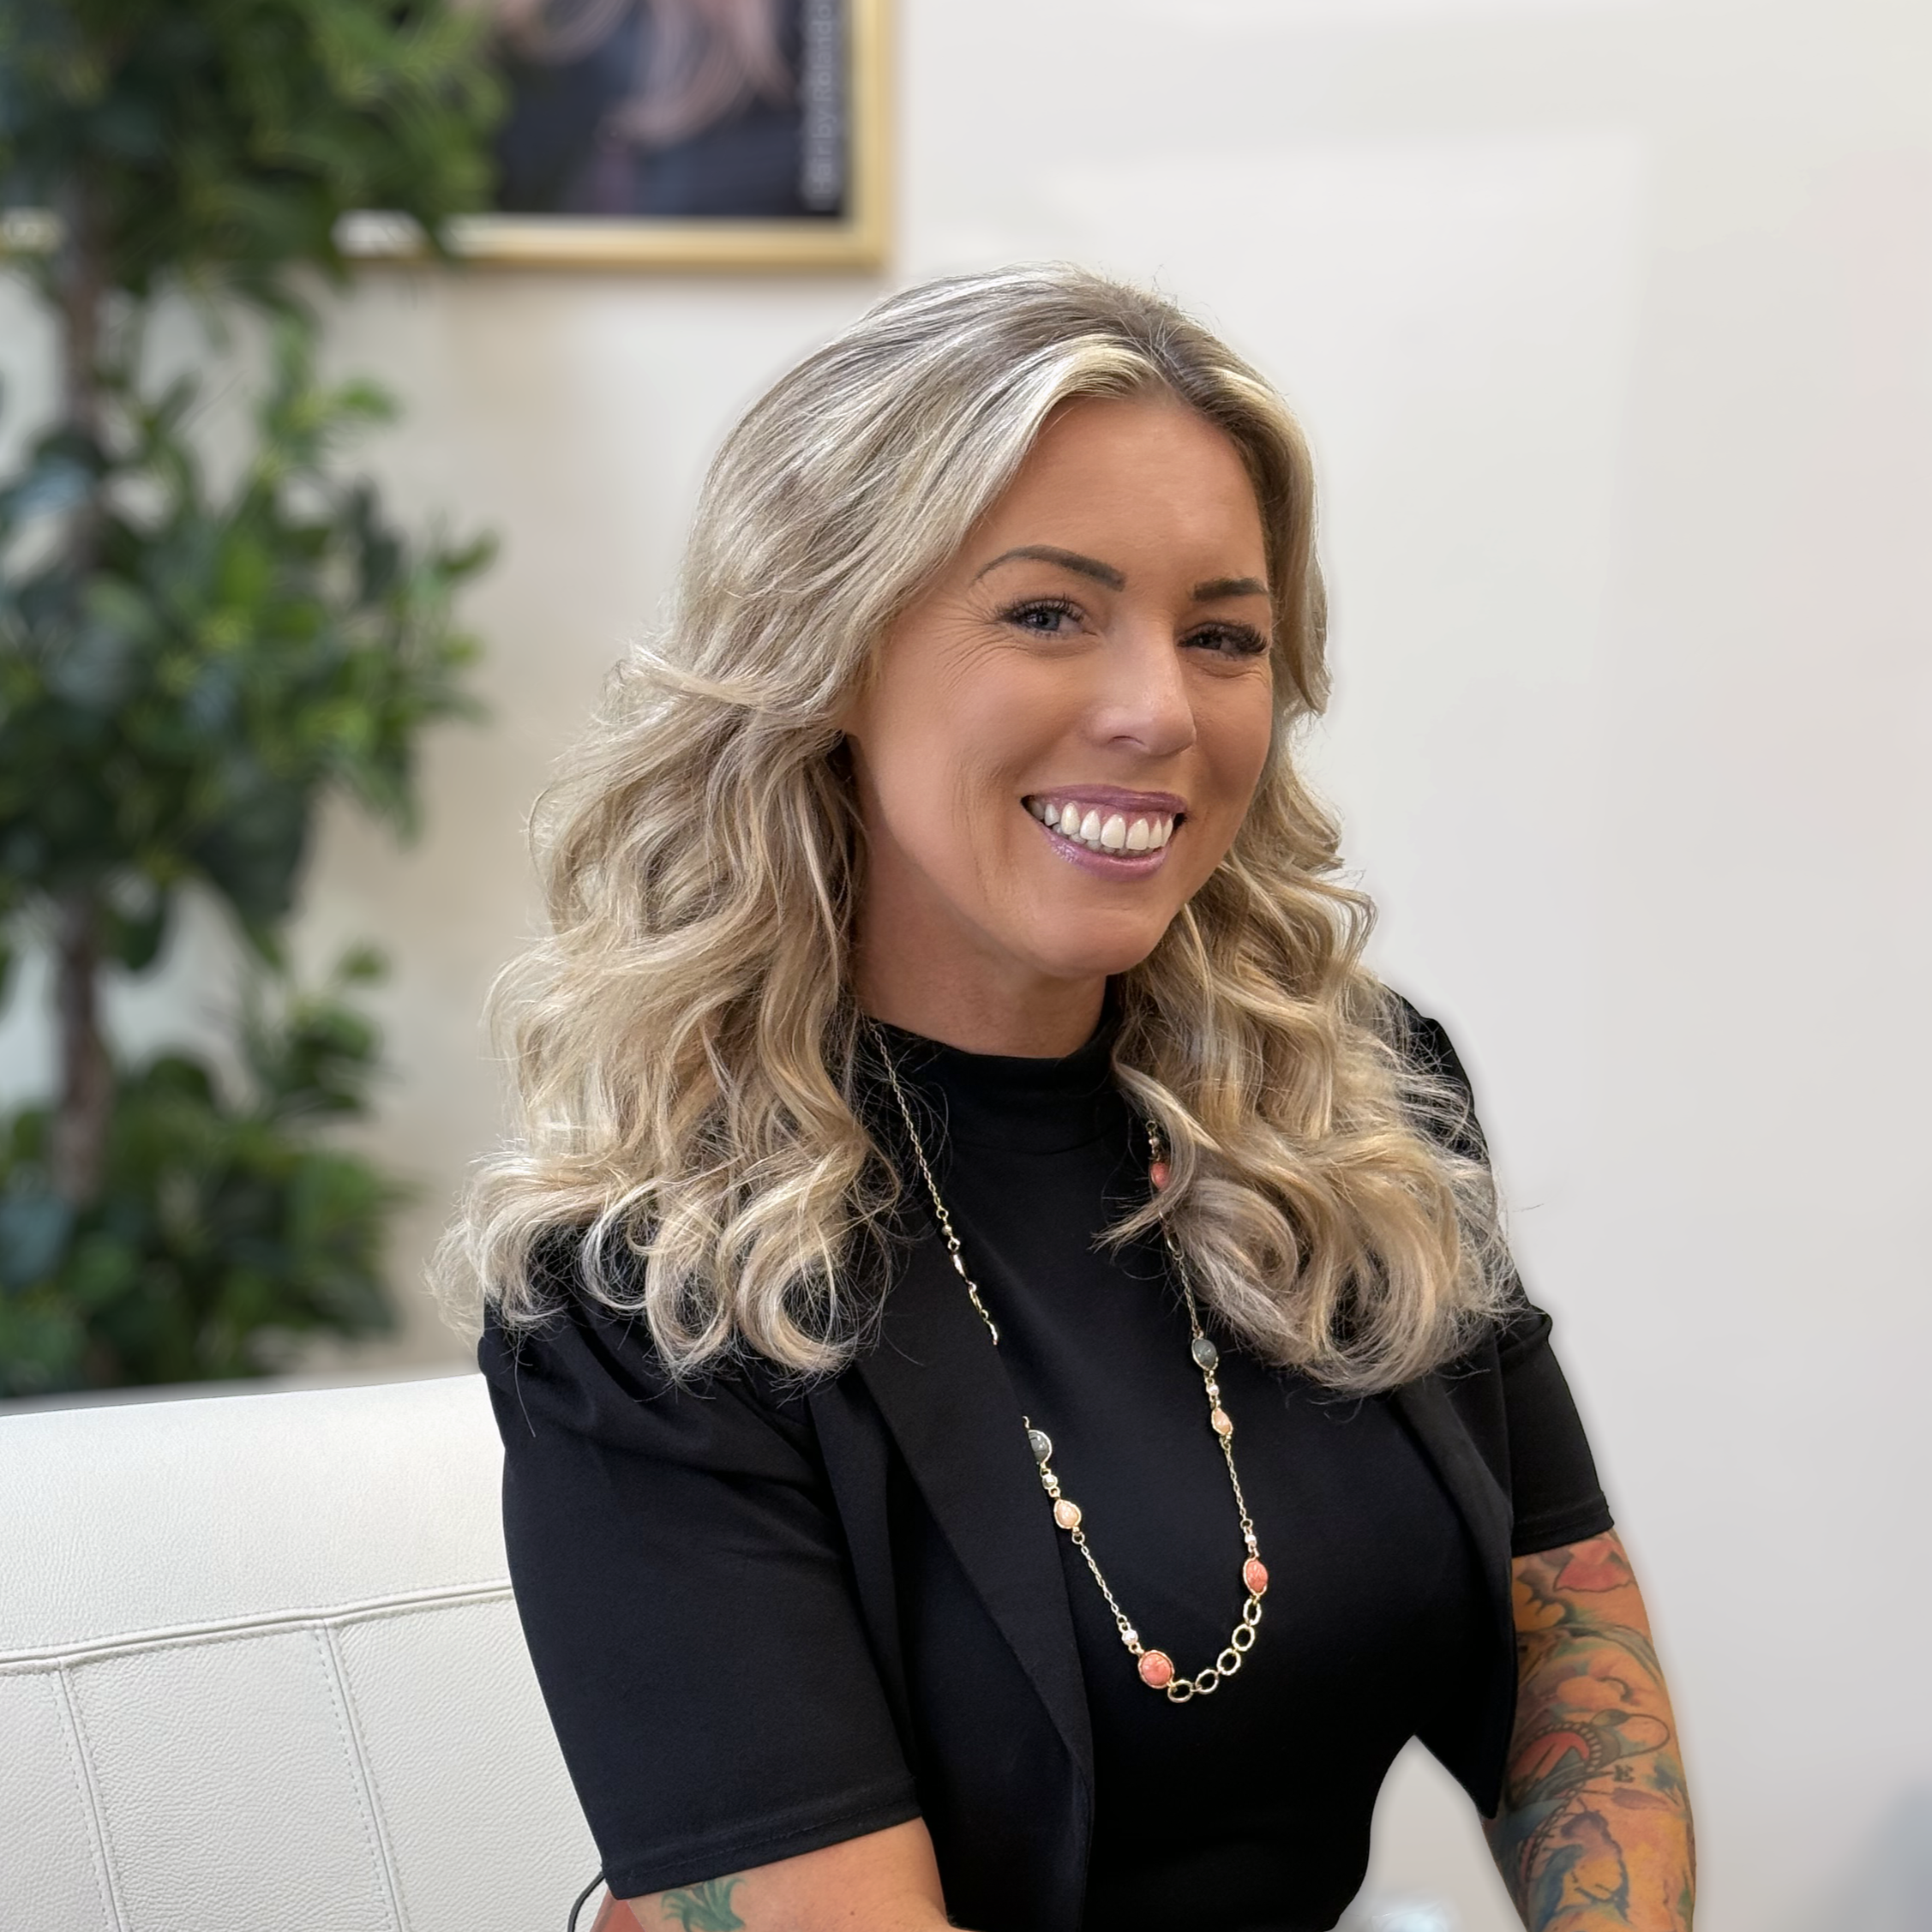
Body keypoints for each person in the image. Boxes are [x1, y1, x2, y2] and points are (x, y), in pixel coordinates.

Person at [441, 267, 1695, 1932]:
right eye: (1048, 611)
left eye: (1222, 633)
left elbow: (1574, 1677)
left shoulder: (1356, 1106)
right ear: (832, 651)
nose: (1156, 710)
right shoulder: (650, 1283)